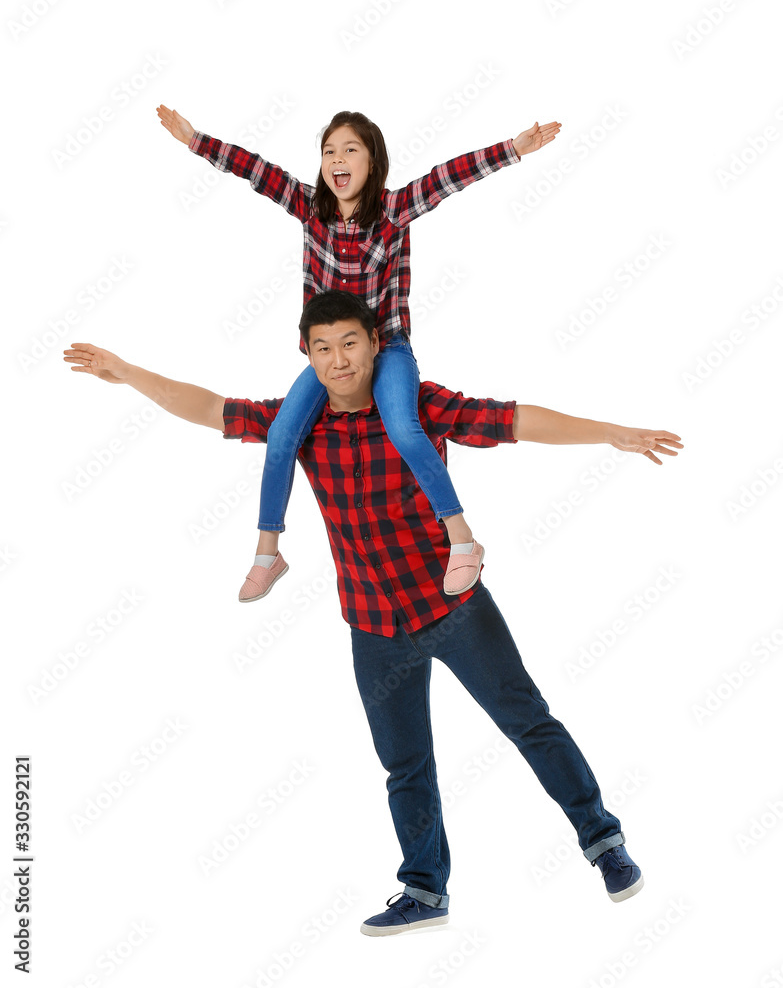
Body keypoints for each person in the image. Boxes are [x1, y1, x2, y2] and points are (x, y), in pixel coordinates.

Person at [63, 290, 683, 937]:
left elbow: (514, 420)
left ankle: (602, 843)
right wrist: (128, 373)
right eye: (323, 348)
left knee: (527, 722)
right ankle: (424, 889)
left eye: (350, 343)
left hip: (454, 608)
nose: (337, 360)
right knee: (404, 762)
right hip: (373, 626)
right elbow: (211, 408)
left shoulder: (417, 407)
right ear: (306, 354)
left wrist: (610, 432)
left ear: (375, 346)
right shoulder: (298, 427)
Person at [156, 104, 562, 601]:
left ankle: (462, 540)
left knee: (405, 429)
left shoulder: (393, 210)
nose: (338, 160)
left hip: (386, 349)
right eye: (329, 152)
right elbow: (256, 171)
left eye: (350, 150)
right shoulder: (309, 207)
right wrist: (197, 140)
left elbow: (446, 178)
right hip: (329, 357)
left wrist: (514, 150)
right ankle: (268, 553)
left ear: (373, 162)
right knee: (283, 431)